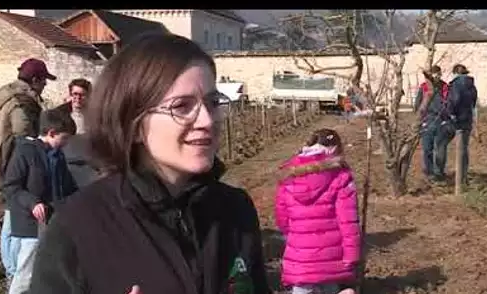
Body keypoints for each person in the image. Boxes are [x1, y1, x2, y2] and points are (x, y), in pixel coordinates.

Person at [28, 33, 270, 294]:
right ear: (134, 123)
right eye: (181, 106)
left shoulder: (235, 210)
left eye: (212, 103)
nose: (207, 121)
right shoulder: (77, 226)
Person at [0, 58, 56, 283]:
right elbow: (22, 134)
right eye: (44, 81)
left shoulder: (3, 95)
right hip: (12, 163)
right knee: (12, 216)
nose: (45, 86)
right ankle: (13, 271)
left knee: (10, 215)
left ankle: (11, 268)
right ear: (35, 80)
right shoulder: (22, 102)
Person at [1, 109, 78, 294]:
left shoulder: (57, 156)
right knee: (26, 273)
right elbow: (12, 186)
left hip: (53, 220)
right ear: (51, 133)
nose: (66, 144)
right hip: (31, 225)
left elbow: (68, 187)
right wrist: (33, 203)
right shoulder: (25, 152)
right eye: (64, 138)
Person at [275, 129, 360, 294]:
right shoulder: (340, 176)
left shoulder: (288, 175)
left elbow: (282, 220)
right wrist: (352, 256)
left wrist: (296, 239)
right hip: (331, 259)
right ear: (334, 149)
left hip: (300, 261)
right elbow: (348, 222)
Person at [55, 78, 98, 187]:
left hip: (88, 164)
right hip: (65, 163)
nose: (78, 98)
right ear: (70, 94)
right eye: (75, 94)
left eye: (82, 95)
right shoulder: (59, 114)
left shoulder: (95, 116)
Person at [414, 65, 452, 183]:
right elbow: (418, 104)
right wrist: (422, 120)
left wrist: (447, 118)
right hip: (428, 121)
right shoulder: (424, 87)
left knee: (441, 148)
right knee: (427, 148)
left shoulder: (445, 87)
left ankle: (439, 172)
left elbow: (449, 103)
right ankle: (429, 172)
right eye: (435, 74)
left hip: (442, 121)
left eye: (439, 74)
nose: (437, 76)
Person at [448, 63, 478, 185]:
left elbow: (455, 100)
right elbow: (474, 101)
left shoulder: (455, 85)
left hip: (458, 118)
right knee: (464, 147)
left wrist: (451, 113)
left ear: (455, 73)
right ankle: (464, 175)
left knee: (455, 145)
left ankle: (459, 180)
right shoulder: (472, 85)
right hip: (468, 117)